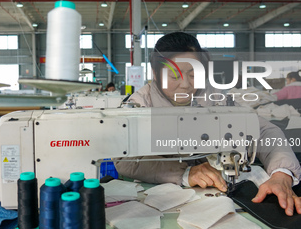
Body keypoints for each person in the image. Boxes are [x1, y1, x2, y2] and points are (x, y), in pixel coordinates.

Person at [115, 32, 301, 216]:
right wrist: (185, 173)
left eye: (193, 74)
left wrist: (281, 173)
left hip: (212, 194)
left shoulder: (215, 98)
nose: (186, 85)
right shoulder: (139, 105)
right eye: (174, 76)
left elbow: (265, 131)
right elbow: (123, 158)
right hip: (159, 198)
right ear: (155, 73)